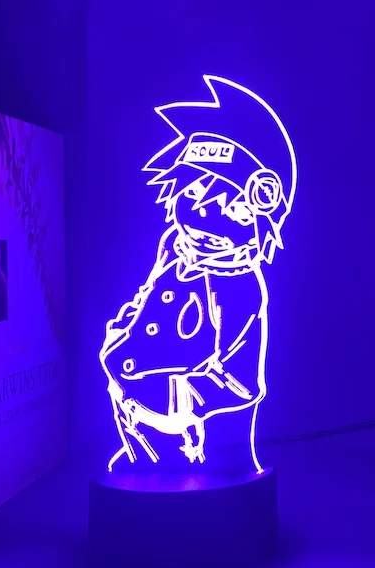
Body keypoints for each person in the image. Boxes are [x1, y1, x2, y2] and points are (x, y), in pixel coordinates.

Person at [100, 76, 295, 477]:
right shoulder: (173, 244)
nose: (203, 216)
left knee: (215, 472)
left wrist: (177, 400)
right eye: (190, 195)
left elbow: (237, 379)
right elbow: (148, 292)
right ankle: (141, 459)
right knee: (139, 460)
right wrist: (120, 332)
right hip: (135, 400)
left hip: (205, 431)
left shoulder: (241, 287)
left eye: (229, 209)